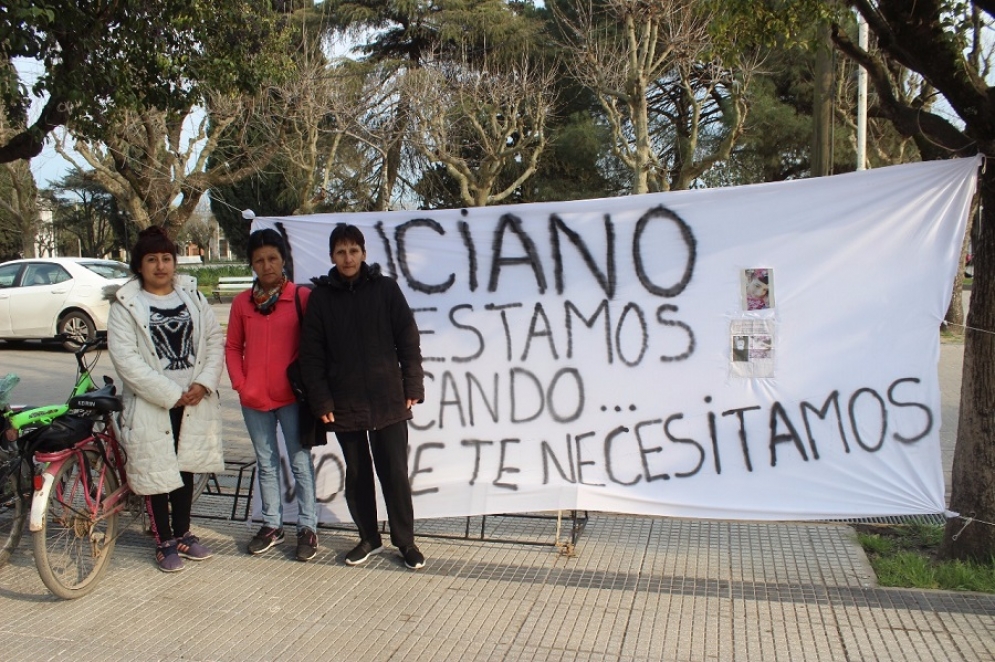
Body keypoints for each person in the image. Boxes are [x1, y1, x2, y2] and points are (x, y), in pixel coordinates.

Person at [299, 223, 426, 570]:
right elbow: (312, 355)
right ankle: (368, 537)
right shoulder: (322, 298)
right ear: (332, 257)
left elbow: (407, 339)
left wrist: (413, 386)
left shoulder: (385, 289)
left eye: (354, 250)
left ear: (364, 253)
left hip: (389, 399)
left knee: (395, 473)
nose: (348, 258)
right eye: (341, 252)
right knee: (357, 474)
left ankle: (406, 542)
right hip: (344, 403)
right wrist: (321, 401)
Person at [107, 226, 225, 573]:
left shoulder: (193, 297)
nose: (161, 266)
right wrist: (171, 394)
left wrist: (203, 384)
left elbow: (214, 342)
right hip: (152, 404)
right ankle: (163, 540)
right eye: (152, 259)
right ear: (139, 265)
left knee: (185, 467)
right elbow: (126, 360)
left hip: (193, 401)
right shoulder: (126, 305)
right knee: (157, 470)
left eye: (166, 258)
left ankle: (184, 532)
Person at [226, 228, 319, 561]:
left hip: (292, 398)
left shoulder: (300, 298)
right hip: (253, 400)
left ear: (283, 260)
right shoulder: (242, 303)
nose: (266, 266)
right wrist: (241, 383)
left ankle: (307, 527)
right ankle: (272, 525)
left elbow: (315, 346)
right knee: (266, 464)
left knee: (299, 463)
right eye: (259, 260)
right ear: (251, 264)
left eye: (272, 259)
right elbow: (234, 347)